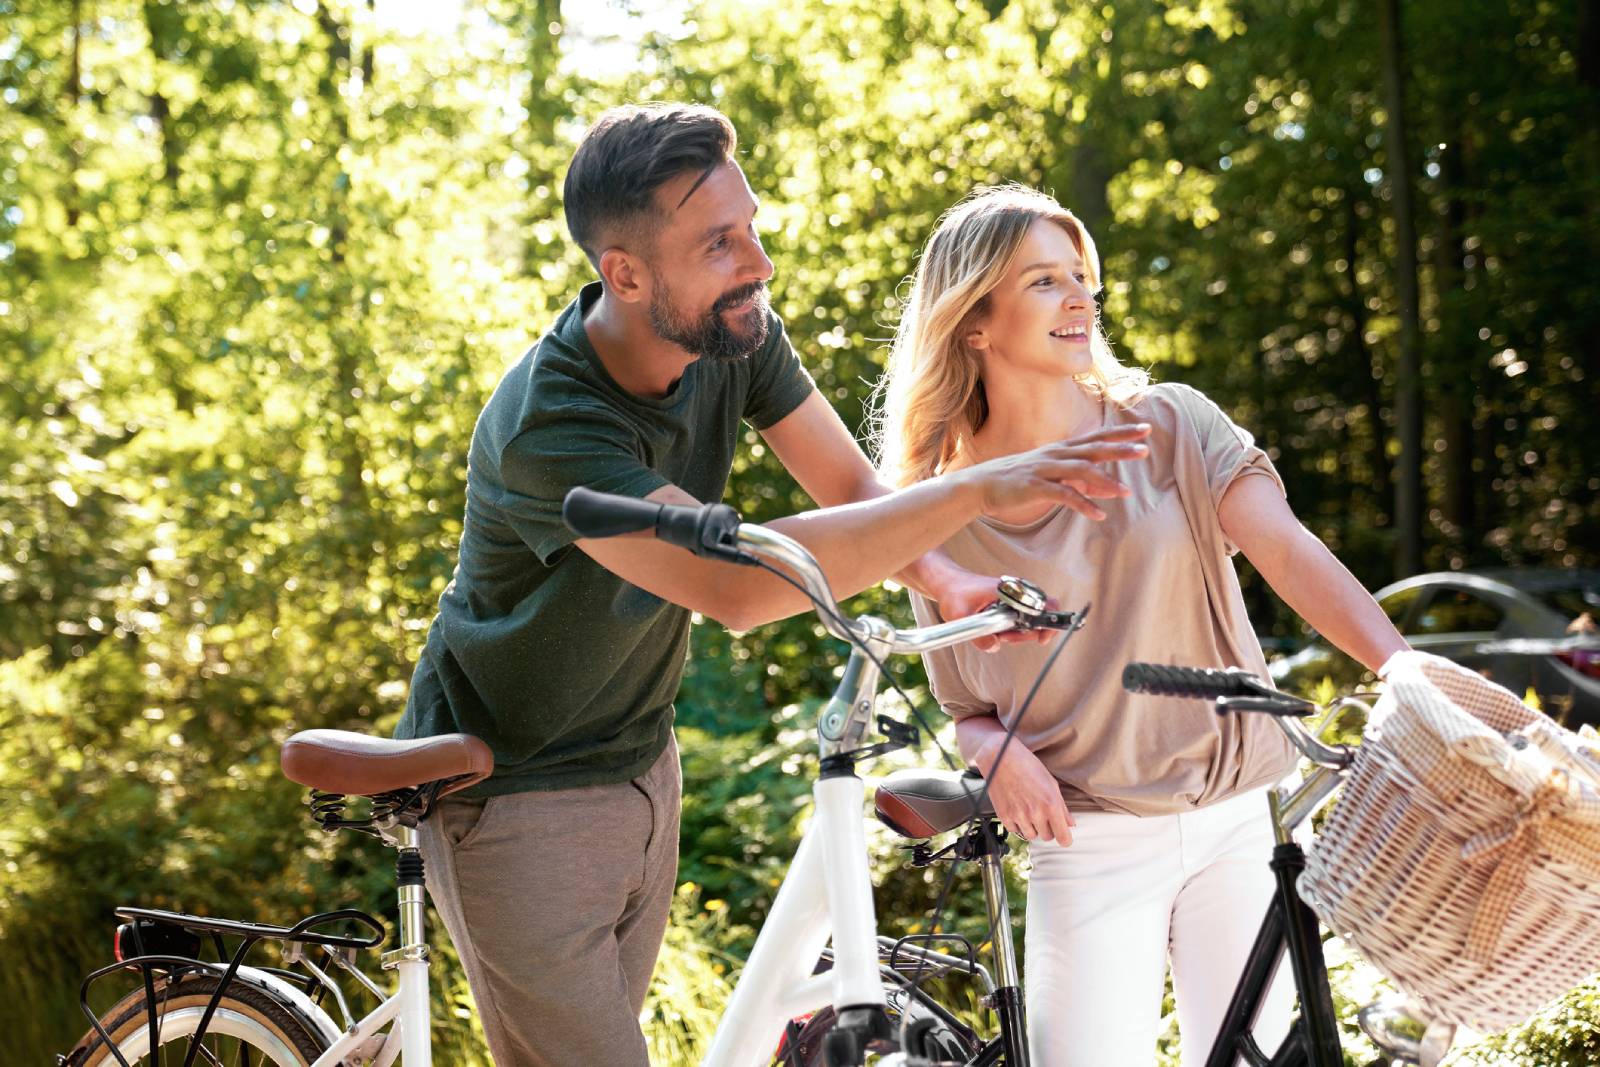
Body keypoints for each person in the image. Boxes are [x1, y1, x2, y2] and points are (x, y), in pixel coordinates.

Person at [395, 107, 1152, 1066]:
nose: (757, 261)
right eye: (719, 243)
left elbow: (849, 490)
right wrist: (974, 487)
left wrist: (950, 579)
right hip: (512, 787)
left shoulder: (736, 334)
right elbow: (738, 590)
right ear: (625, 274)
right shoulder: (552, 427)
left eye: (750, 225)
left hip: (641, 761)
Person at [872, 184, 1410, 1067]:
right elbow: (966, 701)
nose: (1081, 297)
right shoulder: (937, 508)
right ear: (974, 321)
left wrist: (1408, 671)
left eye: (1082, 276)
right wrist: (996, 755)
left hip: (1239, 818)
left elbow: (1288, 551)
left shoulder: (1171, 425)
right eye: (1045, 281)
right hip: (1088, 838)